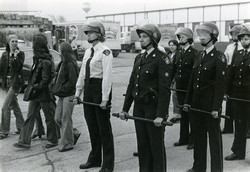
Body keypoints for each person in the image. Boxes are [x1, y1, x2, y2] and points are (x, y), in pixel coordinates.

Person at [120, 24, 173, 172]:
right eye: (140, 37)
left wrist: (160, 115)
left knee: (156, 147)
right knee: (142, 146)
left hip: (153, 108)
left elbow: (164, 90)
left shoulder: (162, 58)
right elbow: (132, 85)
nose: (141, 40)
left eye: (144, 37)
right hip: (139, 107)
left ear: (153, 38)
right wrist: (125, 109)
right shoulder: (139, 57)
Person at [183, 22, 227, 172]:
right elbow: (192, 81)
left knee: (214, 140)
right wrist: (187, 102)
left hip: (210, 107)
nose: (201, 37)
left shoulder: (219, 57)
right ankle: (198, 167)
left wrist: (216, 107)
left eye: (205, 34)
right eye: (199, 34)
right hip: (196, 105)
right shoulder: (199, 55)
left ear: (213, 37)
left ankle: (217, 169)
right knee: (198, 138)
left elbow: (220, 87)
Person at [73, 21, 114, 172]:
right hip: (89, 90)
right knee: (92, 127)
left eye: (90, 32)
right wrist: (78, 93)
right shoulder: (88, 52)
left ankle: (108, 163)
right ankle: (95, 159)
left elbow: (107, 77)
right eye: (87, 33)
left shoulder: (105, 52)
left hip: (100, 90)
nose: (88, 35)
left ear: (99, 34)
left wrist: (105, 98)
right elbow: (82, 74)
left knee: (104, 129)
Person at [13, 33, 59, 149]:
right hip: (37, 94)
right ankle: (24, 141)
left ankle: (53, 140)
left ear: (37, 46)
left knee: (50, 117)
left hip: (43, 94)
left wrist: (34, 87)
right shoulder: (39, 59)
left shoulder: (45, 61)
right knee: (31, 116)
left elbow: (45, 80)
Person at [224, 24, 250, 161]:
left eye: (246, 38)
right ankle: (238, 152)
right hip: (237, 95)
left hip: (249, 95)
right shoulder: (238, 54)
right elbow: (231, 74)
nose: (244, 41)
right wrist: (227, 92)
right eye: (242, 39)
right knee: (239, 124)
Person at [173, 28, 197, 150]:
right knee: (183, 114)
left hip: (190, 89)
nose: (180, 39)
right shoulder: (178, 53)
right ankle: (183, 138)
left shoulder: (194, 53)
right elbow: (174, 69)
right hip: (180, 89)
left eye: (182, 36)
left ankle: (193, 140)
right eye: (179, 37)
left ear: (189, 38)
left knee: (192, 114)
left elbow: (195, 73)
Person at [53, 42, 80, 152]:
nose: (59, 51)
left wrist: (61, 89)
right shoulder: (62, 63)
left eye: (60, 49)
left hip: (69, 95)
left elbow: (73, 81)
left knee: (65, 118)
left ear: (64, 51)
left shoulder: (70, 64)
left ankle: (67, 144)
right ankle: (73, 133)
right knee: (57, 118)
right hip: (62, 95)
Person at [0, 34, 25, 139]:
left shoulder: (20, 54)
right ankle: (22, 128)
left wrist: (14, 56)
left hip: (15, 83)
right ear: (9, 43)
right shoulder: (5, 54)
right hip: (7, 82)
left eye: (16, 41)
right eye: (12, 41)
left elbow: (18, 67)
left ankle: (4, 131)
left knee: (5, 106)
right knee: (14, 106)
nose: (14, 43)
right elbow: (1, 70)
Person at [222, 24, 243, 134]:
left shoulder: (244, 45)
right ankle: (228, 127)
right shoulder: (229, 47)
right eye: (232, 33)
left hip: (240, 71)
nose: (233, 35)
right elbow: (225, 58)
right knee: (229, 100)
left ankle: (244, 128)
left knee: (240, 102)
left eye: (236, 33)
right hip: (229, 72)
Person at [167, 40, 181, 124]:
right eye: (170, 45)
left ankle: (177, 114)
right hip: (169, 77)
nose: (171, 47)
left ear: (177, 46)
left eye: (173, 45)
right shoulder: (168, 54)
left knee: (175, 95)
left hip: (176, 78)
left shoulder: (179, 54)